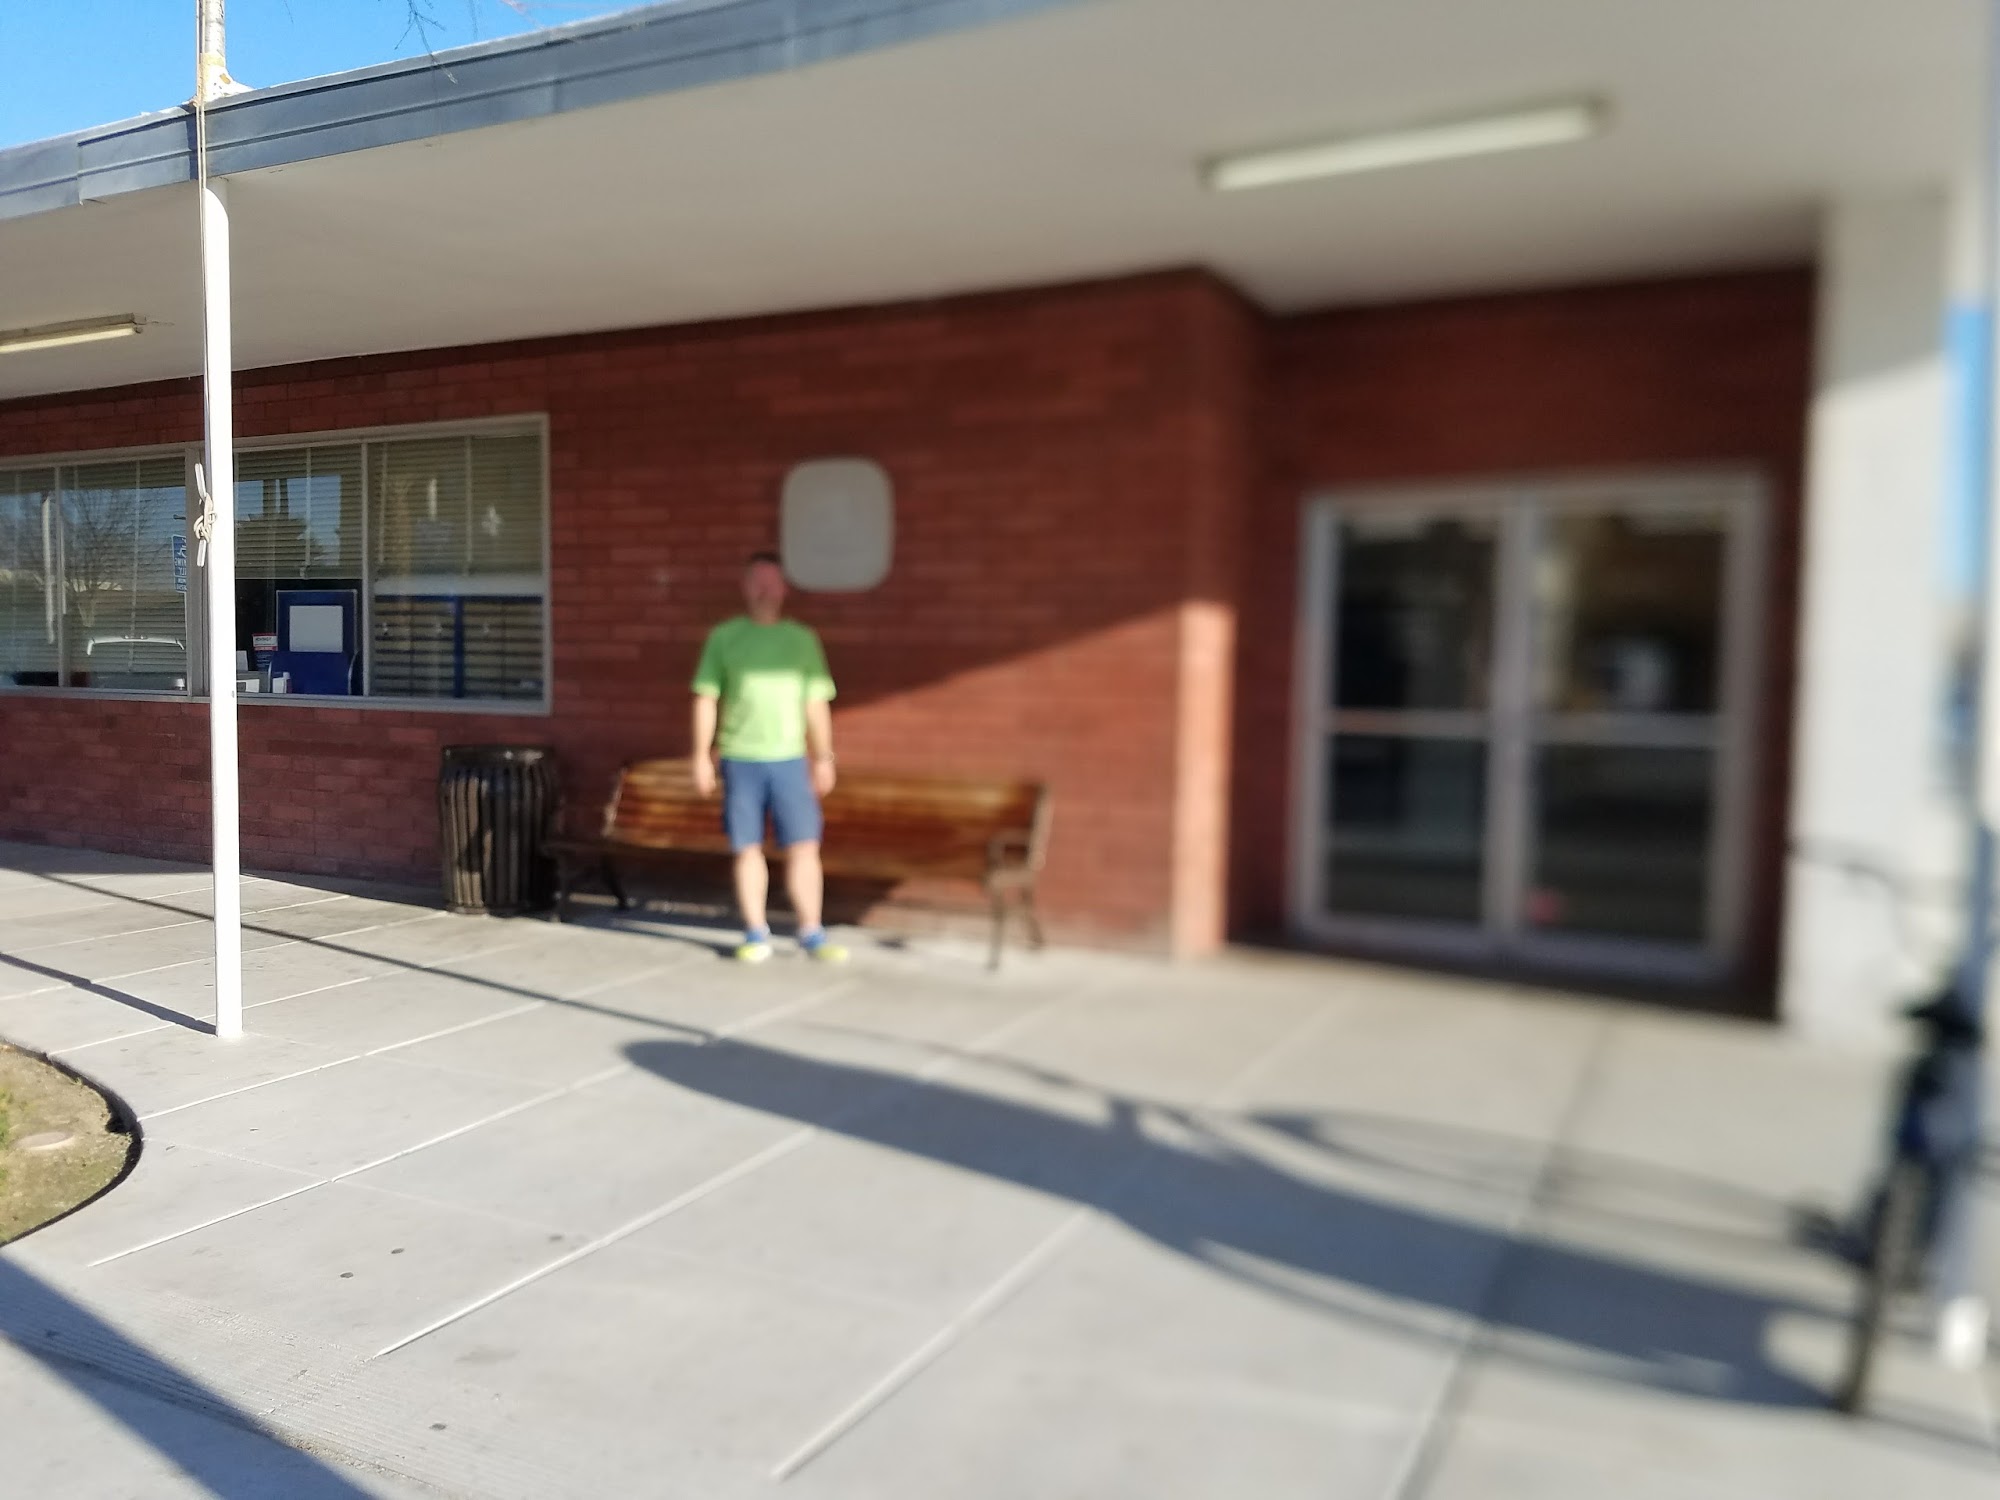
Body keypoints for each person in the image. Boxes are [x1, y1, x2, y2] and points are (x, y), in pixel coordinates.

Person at [691, 552, 847, 964]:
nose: (765, 590)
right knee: (747, 848)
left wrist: (824, 757)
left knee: (804, 846)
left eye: (772, 582)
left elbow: (816, 702)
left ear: (784, 589)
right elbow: (706, 698)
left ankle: (811, 931)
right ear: (745, 588)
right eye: (758, 582)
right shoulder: (724, 638)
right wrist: (701, 757)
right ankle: (755, 932)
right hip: (740, 759)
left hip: (790, 760)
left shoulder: (802, 640)